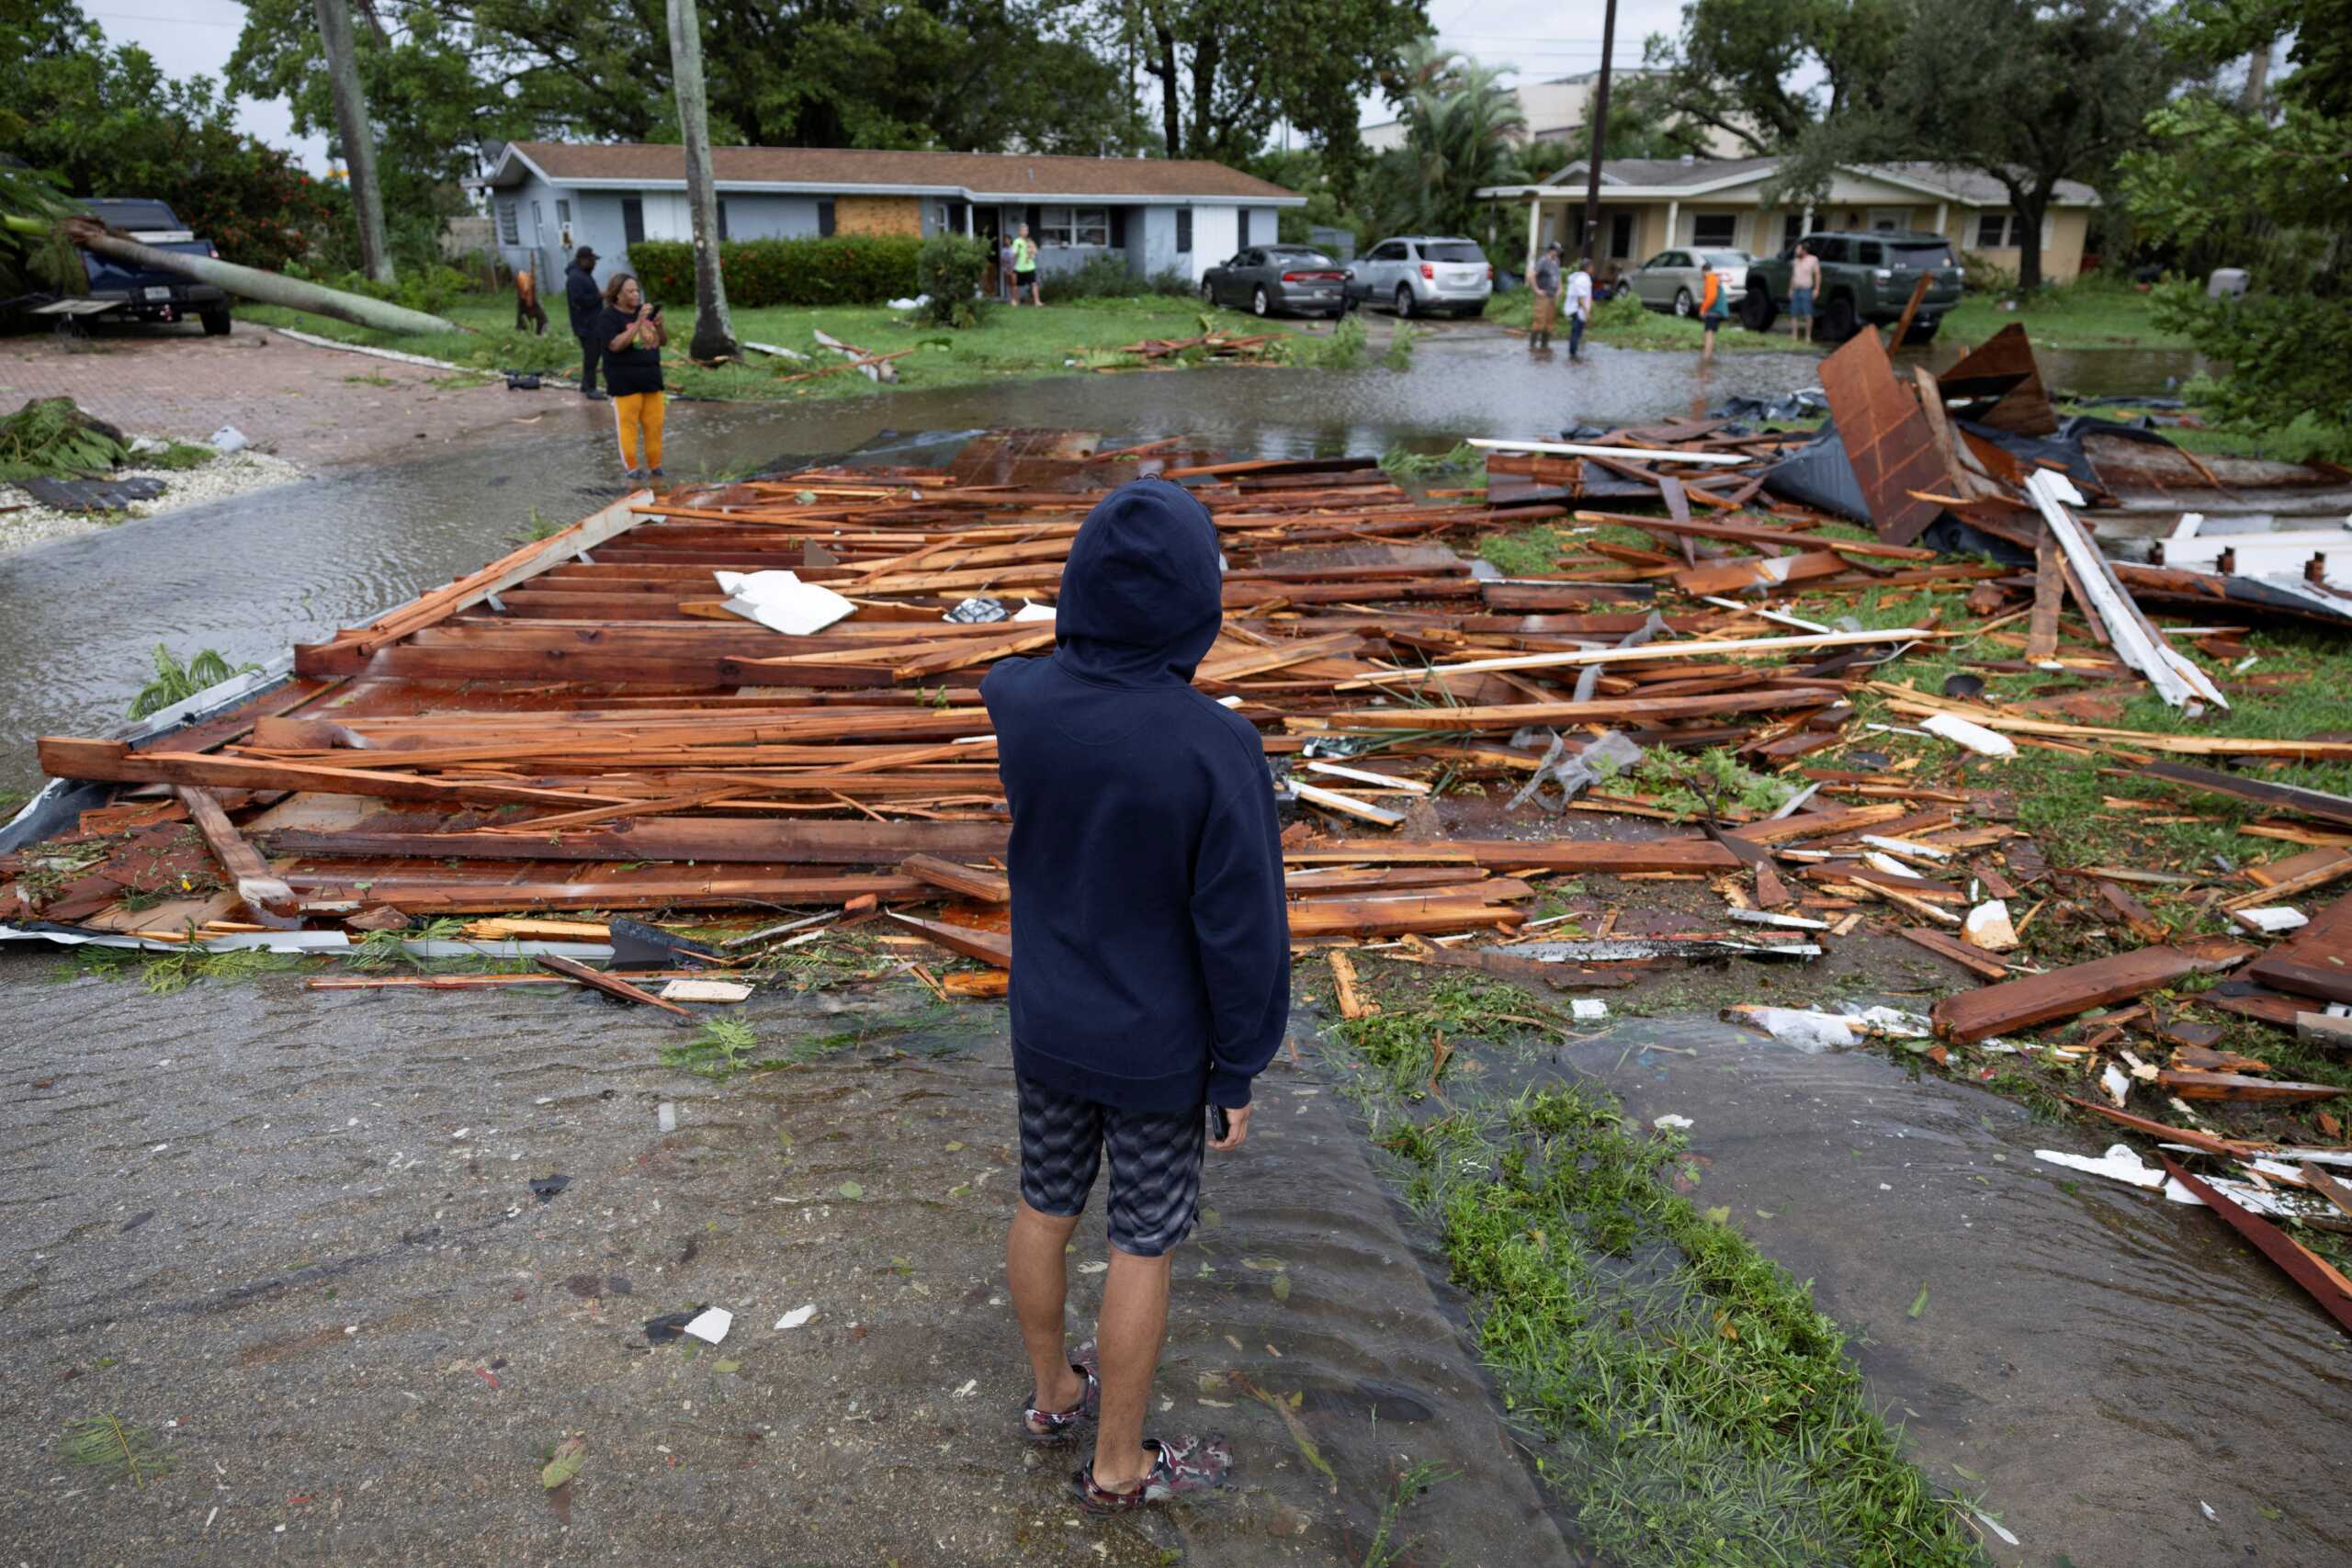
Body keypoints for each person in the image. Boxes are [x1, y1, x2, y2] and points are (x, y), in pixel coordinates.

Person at [980, 478, 1289, 1514]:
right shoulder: (1215, 749)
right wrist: (1238, 1063)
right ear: (1197, 610)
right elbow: (1239, 931)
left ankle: (1051, 1392)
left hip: (1047, 1023)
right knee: (1139, 1242)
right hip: (1157, 1048)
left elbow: (1007, 670)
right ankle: (1117, 1466)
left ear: (1078, 590)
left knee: (1044, 1202)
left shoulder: (1018, 700)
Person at [595, 273, 666, 482]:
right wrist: (637, 323)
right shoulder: (607, 317)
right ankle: (632, 469)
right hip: (624, 381)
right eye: (630, 291)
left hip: (651, 378)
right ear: (617, 295)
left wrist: (659, 325)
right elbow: (615, 345)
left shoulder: (645, 311)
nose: (636, 294)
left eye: (637, 290)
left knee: (654, 424)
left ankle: (656, 466)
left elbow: (661, 342)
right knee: (628, 426)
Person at [564, 246, 606, 400]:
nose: (594, 264)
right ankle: (591, 389)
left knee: (592, 355)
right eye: (592, 261)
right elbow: (579, 300)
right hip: (586, 325)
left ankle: (585, 384)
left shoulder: (583, 274)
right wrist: (599, 296)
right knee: (592, 356)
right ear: (583, 260)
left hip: (591, 323)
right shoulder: (576, 277)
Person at [1528, 241, 1561, 351]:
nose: (1558, 253)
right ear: (1552, 250)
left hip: (1553, 295)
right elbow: (1531, 276)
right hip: (1543, 295)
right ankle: (1532, 346)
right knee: (1539, 321)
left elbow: (1558, 276)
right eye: (1557, 251)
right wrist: (1537, 290)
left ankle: (1544, 346)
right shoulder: (1543, 261)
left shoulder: (1556, 261)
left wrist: (1560, 289)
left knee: (1550, 322)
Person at [1564, 255, 1594, 361]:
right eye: (1591, 267)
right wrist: (1587, 313)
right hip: (1577, 310)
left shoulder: (1576, 277)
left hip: (1572, 309)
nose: (1593, 269)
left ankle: (1573, 353)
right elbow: (1581, 299)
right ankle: (1573, 355)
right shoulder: (1583, 279)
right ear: (1587, 267)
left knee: (1575, 332)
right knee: (1576, 332)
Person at [1698, 257, 1728, 365]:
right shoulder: (1714, 278)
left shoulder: (1710, 278)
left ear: (1703, 271)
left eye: (1701, 273)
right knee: (1712, 333)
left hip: (1713, 311)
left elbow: (1711, 296)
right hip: (1718, 311)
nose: (1701, 276)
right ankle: (1709, 357)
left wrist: (1703, 309)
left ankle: (1706, 358)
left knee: (1708, 333)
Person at [1790, 242, 1820, 345]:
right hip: (1796, 289)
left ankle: (1808, 336)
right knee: (1794, 313)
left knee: (1808, 314)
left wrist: (1816, 289)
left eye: (1798, 249)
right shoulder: (1796, 261)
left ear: (1804, 251)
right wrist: (1791, 289)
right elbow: (1793, 276)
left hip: (1806, 289)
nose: (1796, 251)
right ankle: (1794, 335)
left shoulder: (1813, 260)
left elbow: (1817, 275)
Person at [1012, 222, 1041, 307]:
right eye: (1024, 230)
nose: (1026, 232)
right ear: (1020, 232)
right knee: (1016, 285)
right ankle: (1015, 301)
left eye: (1027, 230)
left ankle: (1037, 302)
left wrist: (1032, 250)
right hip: (1019, 267)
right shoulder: (1017, 241)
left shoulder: (1030, 241)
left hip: (1030, 267)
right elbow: (1014, 254)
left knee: (1034, 284)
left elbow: (1036, 252)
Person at [514, 267, 548, 336]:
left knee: (542, 320)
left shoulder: (526, 279)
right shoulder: (523, 278)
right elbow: (525, 290)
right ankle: (524, 332)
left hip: (530, 301)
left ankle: (538, 335)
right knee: (523, 320)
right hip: (526, 302)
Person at [999, 232, 1018, 305]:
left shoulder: (1013, 248)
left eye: (1007, 239)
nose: (1006, 241)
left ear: (1010, 240)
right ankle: (1012, 299)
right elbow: (1002, 260)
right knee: (1009, 284)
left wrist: (1012, 268)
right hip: (1006, 269)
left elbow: (1015, 258)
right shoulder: (1003, 249)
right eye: (1004, 240)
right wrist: (1004, 269)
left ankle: (1016, 299)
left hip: (1013, 268)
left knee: (1014, 283)